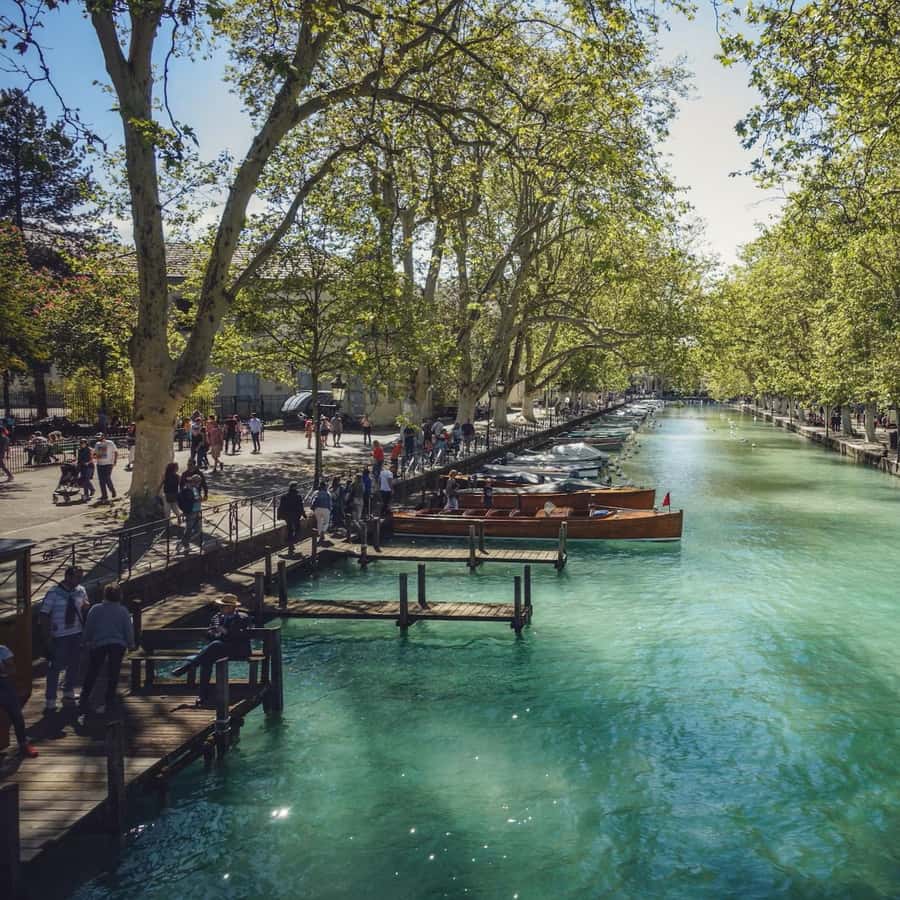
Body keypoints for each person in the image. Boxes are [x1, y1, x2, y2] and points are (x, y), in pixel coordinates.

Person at [171, 595, 251, 706]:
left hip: (237, 649)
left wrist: (226, 632)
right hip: (219, 649)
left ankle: (188, 666)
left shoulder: (243, 617)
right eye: (221, 606)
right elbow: (209, 634)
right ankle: (202, 695)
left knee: (214, 646)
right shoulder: (217, 617)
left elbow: (242, 637)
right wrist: (214, 633)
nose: (221, 608)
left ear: (232, 607)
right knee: (206, 659)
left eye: (224, 606)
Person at [78, 583, 135, 716]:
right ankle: (110, 697)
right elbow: (128, 629)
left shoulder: (95, 609)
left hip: (99, 643)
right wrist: (131, 644)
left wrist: (85, 641)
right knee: (114, 672)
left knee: (93, 670)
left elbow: (89, 627)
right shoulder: (123, 611)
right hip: (117, 644)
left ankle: (85, 695)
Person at [40, 566, 89, 712]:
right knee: (55, 667)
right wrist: (47, 637)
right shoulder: (53, 593)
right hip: (59, 635)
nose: (79, 580)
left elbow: (85, 607)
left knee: (74, 664)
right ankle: (50, 699)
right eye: (77, 577)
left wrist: (86, 608)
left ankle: (68, 690)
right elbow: (44, 614)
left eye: (81, 577)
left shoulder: (81, 590)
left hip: (76, 633)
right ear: (68, 577)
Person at [0, 644, 38, 757]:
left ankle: (23, 744)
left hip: (4, 684)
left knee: (17, 715)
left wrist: (3, 669)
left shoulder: (2, 650)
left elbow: (12, 670)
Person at [278, 481, 306, 550]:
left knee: (290, 529)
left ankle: (290, 544)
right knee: (297, 528)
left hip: (287, 516)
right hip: (296, 515)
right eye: (296, 486)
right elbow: (300, 506)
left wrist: (279, 515)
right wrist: (304, 514)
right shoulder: (298, 496)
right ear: (295, 487)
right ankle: (292, 542)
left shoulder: (284, 496)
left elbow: (281, 507)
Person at [178, 475, 203, 551]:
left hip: (197, 510)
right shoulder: (187, 490)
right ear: (194, 482)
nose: (199, 484)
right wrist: (197, 499)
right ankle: (185, 545)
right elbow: (188, 500)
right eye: (198, 482)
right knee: (189, 529)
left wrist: (199, 499)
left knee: (198, 530)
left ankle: (183, 542)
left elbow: (196, 498)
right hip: (191, 512)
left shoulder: (195, 489)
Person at [93, 432, 118, 503]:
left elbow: (116, 452)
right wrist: (94, 455)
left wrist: (115, 461)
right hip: (99, 464)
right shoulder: (97, 444)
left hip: (108, 464)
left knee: (107, 478)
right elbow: (95, 453)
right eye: (97, 437)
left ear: (103, 436)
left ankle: (112, 491)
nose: (98, 438)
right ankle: (104, 495)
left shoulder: (110, 443)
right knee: (101, 481)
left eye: (99, 437)